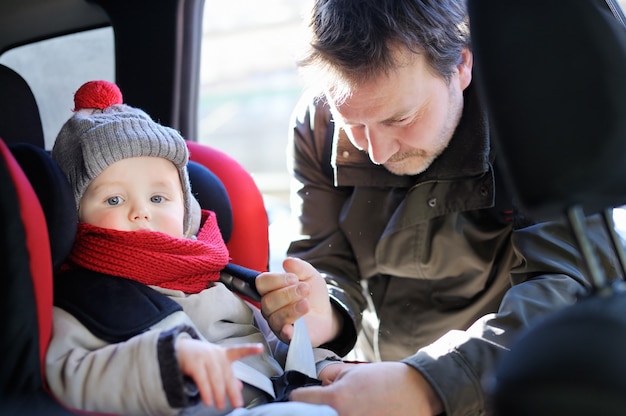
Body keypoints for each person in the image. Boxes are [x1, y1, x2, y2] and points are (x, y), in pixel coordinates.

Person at [255, 1, 619, 415]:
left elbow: (569, 289)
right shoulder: (317, 125)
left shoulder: (535, 122)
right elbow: (328, 259)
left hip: (512, 385)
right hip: (381, 376)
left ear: (461, 66)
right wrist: (327, 311)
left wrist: (427, 383)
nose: (375, 152)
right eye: (353, 124)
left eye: (400, 119)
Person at [45, 80, 339, 416]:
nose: (141, 211)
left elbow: (266, 349)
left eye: (158, 198)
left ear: (187, 212)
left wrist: (321, 364)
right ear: (75, 215)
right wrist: (168, 364)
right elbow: (70, 373)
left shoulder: (213, 278)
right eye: (114, 199)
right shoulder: (82, 298)